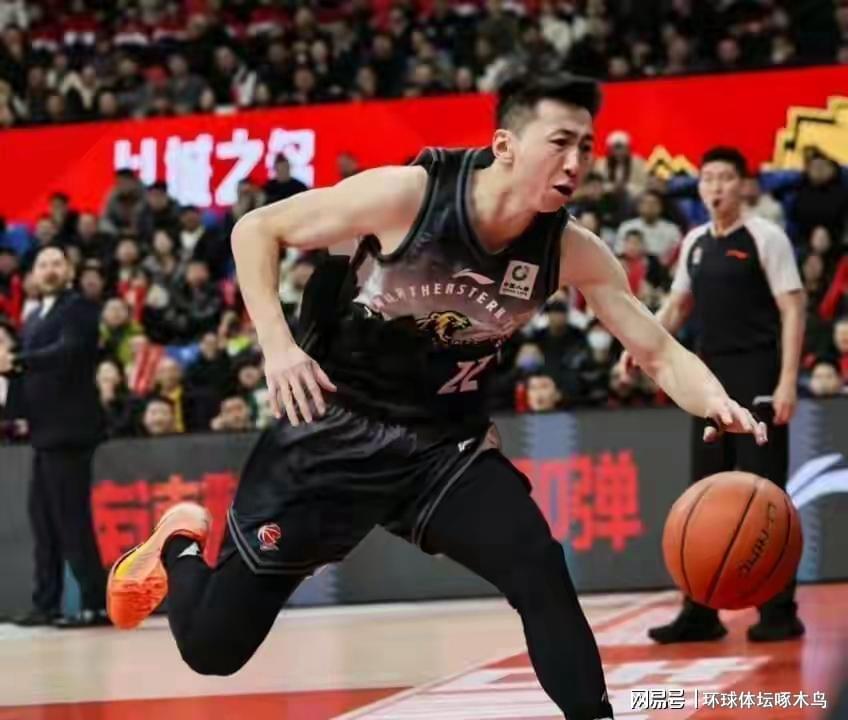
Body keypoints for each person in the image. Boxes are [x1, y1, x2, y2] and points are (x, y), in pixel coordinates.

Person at [106, 73, 766, 720]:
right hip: (331, 430)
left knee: (536, 564)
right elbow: (255, 229)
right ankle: (179, 542)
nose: (576, 162)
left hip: (441, 447)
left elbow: (658, 350)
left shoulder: (569, 250)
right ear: (506, 146)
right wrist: (278, 348)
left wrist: (716, 401)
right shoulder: (408, 197)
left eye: (586, 147)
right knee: (213, 649)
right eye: (560, 143)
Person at [618, 146, 806, 644]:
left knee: (766, 491)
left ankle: (780, 611)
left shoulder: (766, 236)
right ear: (699, 188)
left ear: (743, 186)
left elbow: (793, 308)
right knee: (704, 491)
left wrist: (788, 380)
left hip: (759, 372)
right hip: (708, 381)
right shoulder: (695, 243)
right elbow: (677, 307)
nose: (716, 186)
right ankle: (700, 612)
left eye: (725, 177)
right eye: (708, 178)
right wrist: (640, 346)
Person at [0, 246, 108, 628]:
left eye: (56, 264)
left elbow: (69, 351)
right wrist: (12, 412)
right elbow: (25, 373)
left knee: (71, 520)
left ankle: (95, 604)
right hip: (43, 434)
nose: (49, 270)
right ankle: (46, 603)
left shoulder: (79, 308)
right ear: (33, 273)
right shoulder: (32, 318)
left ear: (69, 271)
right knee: (43, 522)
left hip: (70, 431)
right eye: (43, 264)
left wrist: (18, 361)